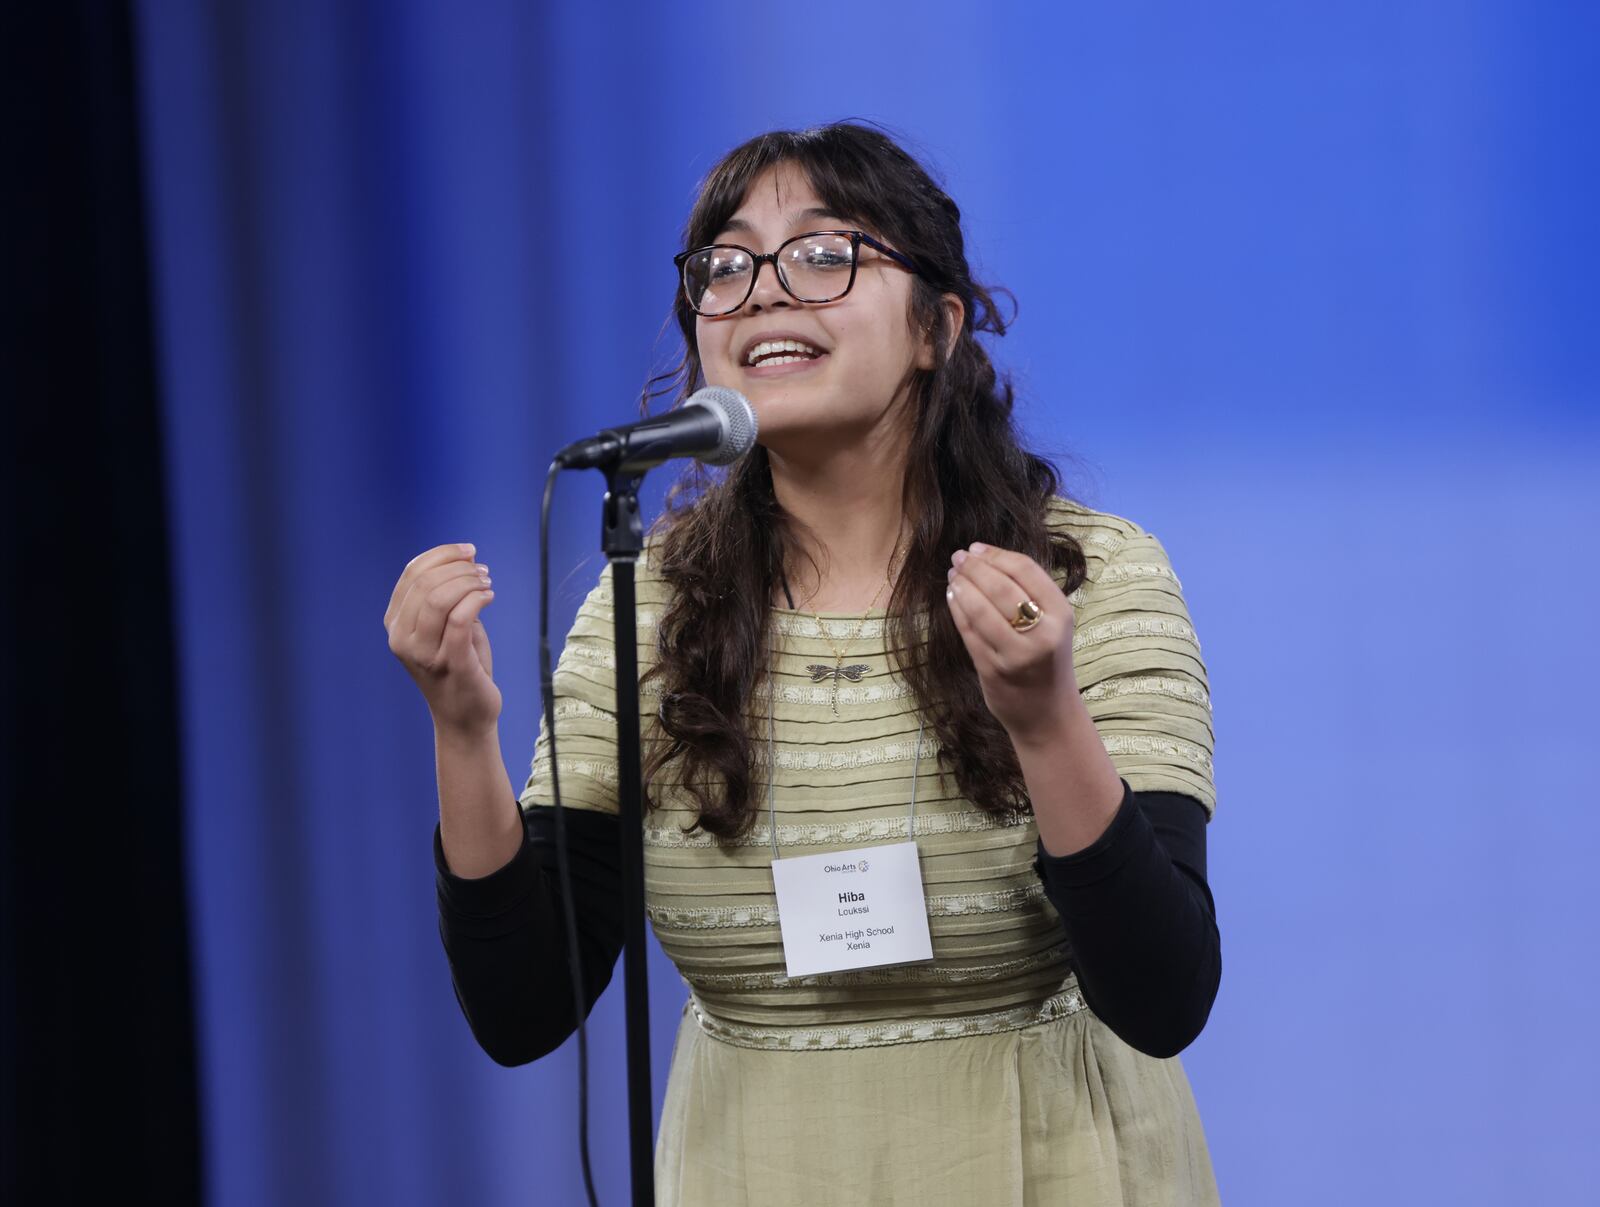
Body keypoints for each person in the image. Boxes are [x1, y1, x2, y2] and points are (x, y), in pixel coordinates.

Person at [385, 122, 1222, 1205]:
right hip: (755, 1163)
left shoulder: (1080, 576)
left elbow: (1163, 996)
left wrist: (1044, 719)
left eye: (825, 254)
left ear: (937, 325)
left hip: (1045, 1158)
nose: (764, 292)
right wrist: (460, 730)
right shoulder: (649, 600)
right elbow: (523, 1008)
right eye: (724, 268)